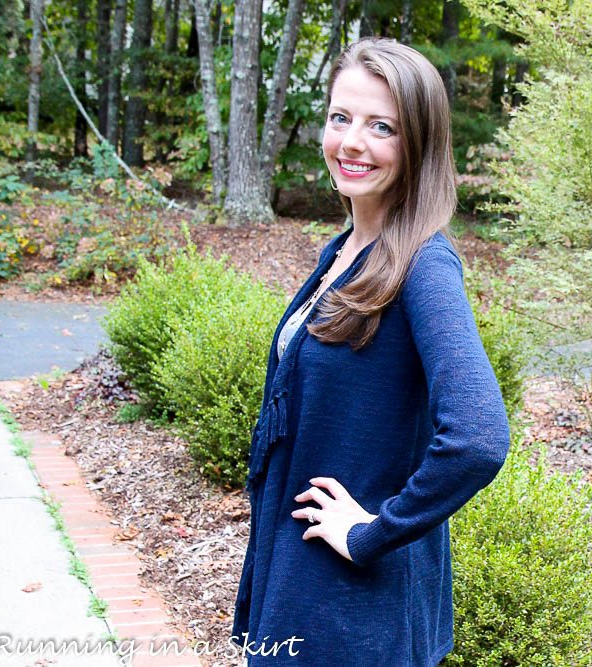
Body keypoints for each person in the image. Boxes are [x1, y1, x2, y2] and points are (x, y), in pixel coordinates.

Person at [230, 37, 511, 666]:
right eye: (340, 118)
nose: (351, 142)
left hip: (355, 613)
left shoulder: (424, 264)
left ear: (418, 144)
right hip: (302, 579)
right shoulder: (345, 252)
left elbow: (478, 436)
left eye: (380, 126)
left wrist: (370, 533)